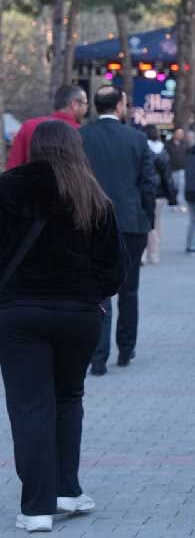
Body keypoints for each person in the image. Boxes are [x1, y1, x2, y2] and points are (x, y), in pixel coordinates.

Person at [0, 121, 126, 532]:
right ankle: (67, 490)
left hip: (18, 314)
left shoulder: (7, 188)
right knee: (69, 399)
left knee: (30, 406)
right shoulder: (93, 195)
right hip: (80, 315)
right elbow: (115, 270)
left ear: (35, 148)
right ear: (75, 147)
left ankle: (37, 508)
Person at [80, 86, 156, 376]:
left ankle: (97, 357)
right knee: (129, 289)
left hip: (91, 222)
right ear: (120, 106)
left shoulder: (81, 137)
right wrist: (146, 219)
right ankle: (126, 349)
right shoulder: (137, 140)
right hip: (130, 223)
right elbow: (148, 186)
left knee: (99, 291)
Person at [5, 85, 88, 170]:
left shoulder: (28, 126)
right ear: (74, 104)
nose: (86, 108)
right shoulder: (82, 132)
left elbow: (13, 167)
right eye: (85, 103)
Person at [143, 124, 178, 265]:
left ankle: (143, 254)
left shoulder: (141, 149)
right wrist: (172, 197)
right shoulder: (162, 151)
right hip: (160, 193)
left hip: (144, 191)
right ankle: (155, 254)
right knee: (156, 223)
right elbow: (167, 176)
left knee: (145, 223)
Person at [166, 128, 188, 212]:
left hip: (182, 169)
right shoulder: (168, 144)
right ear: (174, 134)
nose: (180, 135)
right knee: (173, 188)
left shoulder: (185, 144)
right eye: (178, 133)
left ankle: (182, 204)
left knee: (182, 187)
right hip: (171, 169)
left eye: (181, 133)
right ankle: (174, 204)